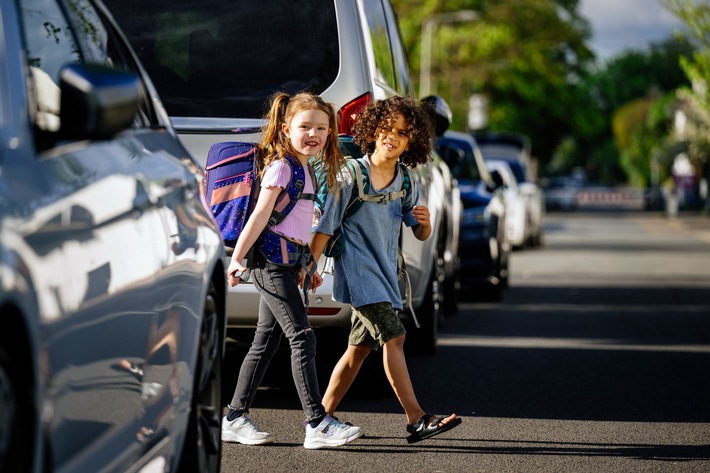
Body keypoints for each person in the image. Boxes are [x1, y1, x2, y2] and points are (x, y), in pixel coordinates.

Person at [309, 95, 462, 443]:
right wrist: (309, 266)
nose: (392, 136)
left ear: (413, 142)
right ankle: (417, 419)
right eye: (386, 128)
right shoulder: (350, 174)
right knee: (396, 336)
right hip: (359, 272)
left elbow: (419, 232)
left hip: (385, 275)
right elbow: (326, 226)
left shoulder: (406, 181)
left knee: (357, 351)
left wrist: (426, 224)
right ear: (372, 129)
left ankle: (319, 419)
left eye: (403, 133)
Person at [221, 91, 363, 449]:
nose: (312, 134)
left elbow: (298, 226)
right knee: (302, 337)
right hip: (269, 264)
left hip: (287, 263)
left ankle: (235, 417)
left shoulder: (305, 168)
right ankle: (316, 423)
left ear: (330, 133)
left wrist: (308, 263)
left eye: (321, 128)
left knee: (264, 343)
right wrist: (236, 258)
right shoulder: (282, 166)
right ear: (286, 129)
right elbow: (261, 216)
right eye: (304, 127)